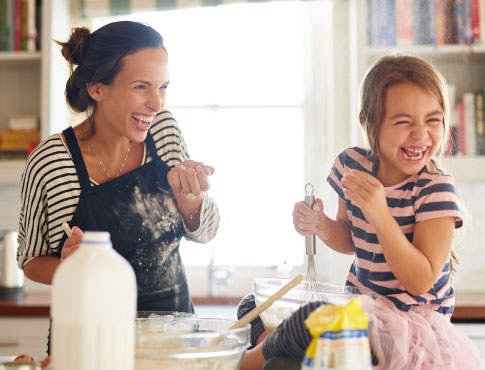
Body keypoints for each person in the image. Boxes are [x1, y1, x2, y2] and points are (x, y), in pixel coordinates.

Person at [238, 54, 484, 369]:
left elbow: (420, 280)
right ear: (368, 121)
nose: (421, 133)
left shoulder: (435, 190)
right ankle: (277, 349)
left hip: (408, 332)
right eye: (403, 121)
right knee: (254, 305)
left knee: (310, 320)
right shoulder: (352, 166)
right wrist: (320, 224)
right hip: (361, 311)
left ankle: (243, 362)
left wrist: (380, 213)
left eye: (432, 120)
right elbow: (350, 238)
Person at [17, 21, 219, 314]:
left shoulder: (164, 132)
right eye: (141, 87)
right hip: (89, 341)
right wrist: (70, 267)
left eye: (162, 87)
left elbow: (206, 233)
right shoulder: (52, 161)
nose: (156, 104)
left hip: (171, 340)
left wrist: (190, 197)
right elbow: (30, 261)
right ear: (97, 88)